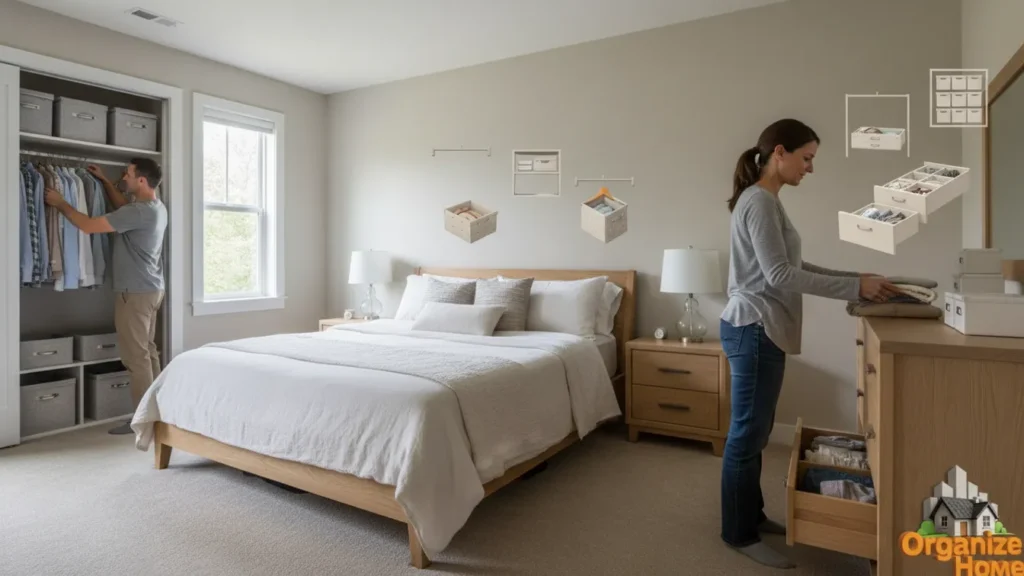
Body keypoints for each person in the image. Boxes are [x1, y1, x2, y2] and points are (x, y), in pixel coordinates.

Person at [718, 119, 899, 569]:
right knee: (746, 435)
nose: (810, 168)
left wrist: (856, 279)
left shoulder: (767, 202)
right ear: (780, 152)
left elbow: (792, 264)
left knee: (756, 433)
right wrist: (856, 288)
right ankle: (737, 533)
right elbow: (780, 277)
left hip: (761, 327)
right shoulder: (759, 202)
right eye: (807, 158)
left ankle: (752, 517)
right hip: (753, 327)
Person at [44, 158, 168, 436]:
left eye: (129, 173)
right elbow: (124, 211)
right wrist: (103, 181)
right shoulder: (154, 208)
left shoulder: (138, 212)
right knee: (148, 354)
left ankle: (142, 423)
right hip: (151, 290)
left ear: (141, 181)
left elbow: (88, 226)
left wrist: (61, 202)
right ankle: (157, 415)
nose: (123, 176)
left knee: (136, 359)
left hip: (133, 293)